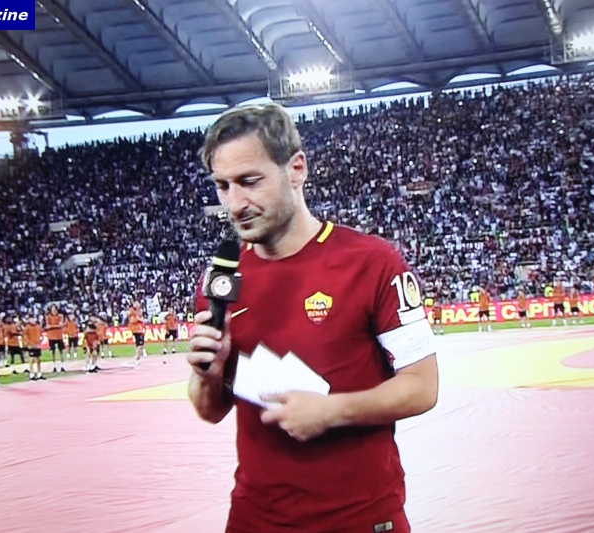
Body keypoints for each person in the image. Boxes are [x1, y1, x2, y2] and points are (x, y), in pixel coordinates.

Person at [185, 105, 438, 533]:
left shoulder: (372, 262)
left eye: (250, 181)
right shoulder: (221, 280)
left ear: (296, 169)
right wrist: (208, 376)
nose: (235, 204)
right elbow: (210, 411)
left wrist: (332, 411)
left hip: (360, 519)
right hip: (253, 520)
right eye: (223, 186)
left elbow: (423, 386)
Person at [45, 305, 66, 372]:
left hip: (59, 336)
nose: (54, 311)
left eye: (55, 309)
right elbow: (47, 326)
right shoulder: (48, 317)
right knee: (53, 352)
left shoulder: (60, 316)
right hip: (51, 336)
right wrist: (57, 326)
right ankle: (54, 366)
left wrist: (52, 326)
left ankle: (62, 366)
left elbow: (61, 325)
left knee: (61, 351)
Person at [23, 316, 44, 380]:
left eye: (34, 319)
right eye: (31, 319)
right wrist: (27, 344)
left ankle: (39, 373)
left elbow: (41, 334)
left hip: (37, 345)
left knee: (38, 359)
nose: (33, 320)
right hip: (31, 345)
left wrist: (40, 342)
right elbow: (25, 336)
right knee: (31, 359)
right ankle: (31, 374)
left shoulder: (38, 326)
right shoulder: (27, 327)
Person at [128, 301, 145, 366]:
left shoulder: (138, 312)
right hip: (136, 330)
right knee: (139, 345)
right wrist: (139, 319)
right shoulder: (132, 312)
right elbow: (132, 320)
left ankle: (138, 357)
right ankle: (137, 358)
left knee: (141, 345)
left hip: (140, 329)